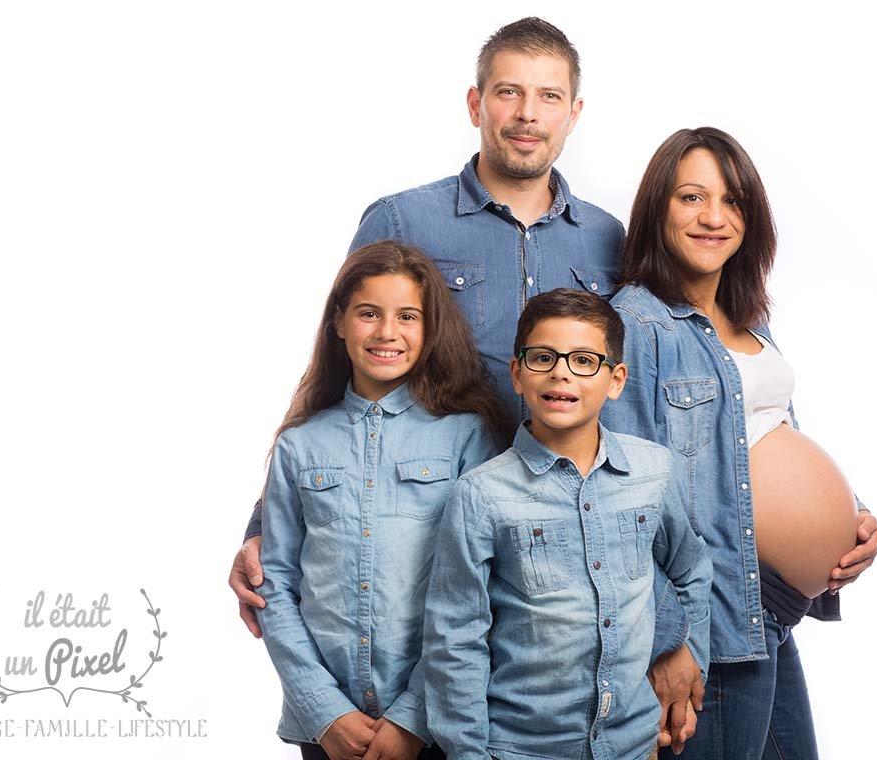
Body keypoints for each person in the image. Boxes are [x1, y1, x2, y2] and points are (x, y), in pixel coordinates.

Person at [233, 16, 626, 652]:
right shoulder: (401, 219)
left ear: (573, 113)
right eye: (508, 92)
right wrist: (265, 526)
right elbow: (334, 371)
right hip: (425, 538)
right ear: (476, 103)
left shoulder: (611, 240)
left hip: (570, 545)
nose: (527, 114)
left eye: (548, 96)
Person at [602, 127, 877, 759]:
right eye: (691, 198)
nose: (714, 218)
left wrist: (852, 515)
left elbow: (774, 433)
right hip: (710, 618)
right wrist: (668, 639)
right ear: (657, 210)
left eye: (733, 201)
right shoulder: (635, 324)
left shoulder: (752, 316)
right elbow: (620, 499)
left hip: (772, 611)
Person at [422, 289, 712, 760]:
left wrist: (691, 655)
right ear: (517, 373)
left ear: (615, 380)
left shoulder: (655, 471)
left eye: (583, 360)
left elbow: (692, 570)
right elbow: (455, 640)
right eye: (543, 357)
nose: (561, 372)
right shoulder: (480, 494)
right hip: (521, 748)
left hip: (634, 745)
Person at [257, 241, 509, 760]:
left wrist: (413, 716)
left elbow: (482, 587)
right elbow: (274, 587)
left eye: (408, 316)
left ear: (430, 327)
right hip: (328, 730)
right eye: (368, 313)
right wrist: (324, 710)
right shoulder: (299, 444)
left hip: (437, 724)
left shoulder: (466, 436)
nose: (387, 332)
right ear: (339, 322)